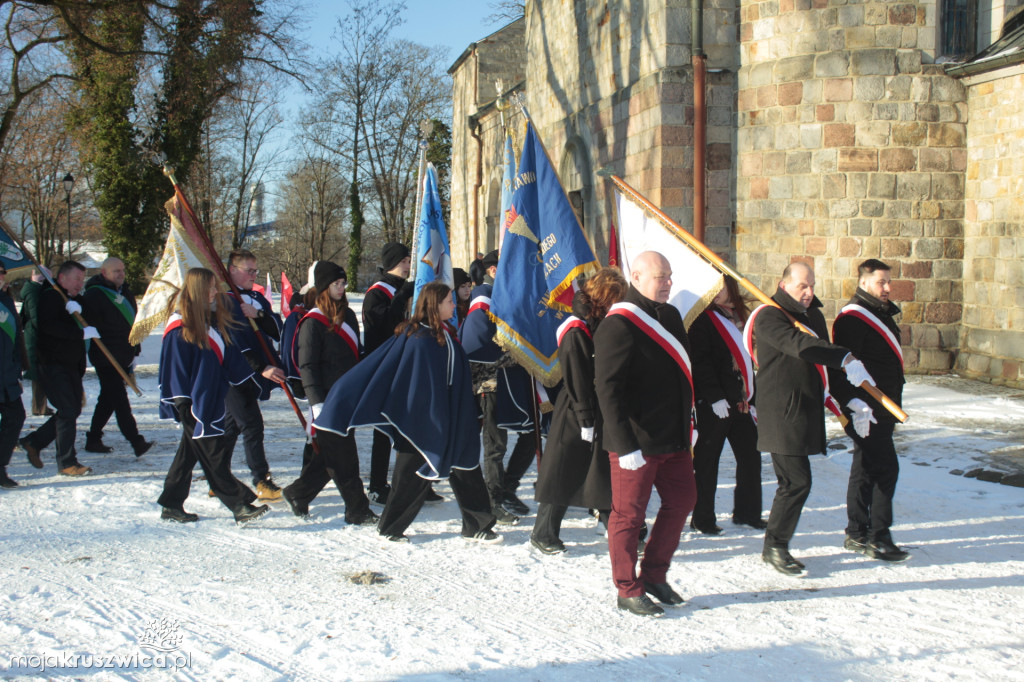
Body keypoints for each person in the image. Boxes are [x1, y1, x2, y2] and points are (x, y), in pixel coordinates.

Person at [316, 282, 500, 543]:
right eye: (448, 301)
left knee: (466, 465)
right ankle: (390, 527)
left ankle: (477, 524)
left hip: (452, 416)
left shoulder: (446, 333)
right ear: (434, 305)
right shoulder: (417, 338)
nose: (453, 305)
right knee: (410, 475)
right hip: (420, 421)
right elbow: (391, 372)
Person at [747, 261, 875, 575]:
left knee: (796, 483)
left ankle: (775, 545)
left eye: (812, 286)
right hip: (781, 412)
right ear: (784, 283)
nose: (809, 293)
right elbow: (800, 345)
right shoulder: (769, 315)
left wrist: (851, 399)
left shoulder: (812, 315)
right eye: (802, 286)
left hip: (806, 409)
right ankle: (774, 547)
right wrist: (843, 355)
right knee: (795, 482)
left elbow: (824, 361)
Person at [594, 251, 697, 618]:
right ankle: (627, 587)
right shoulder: (618, 323)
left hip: (673, 436)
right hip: (635, 441)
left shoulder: (670, 315)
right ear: (635, 277)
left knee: (683, 500)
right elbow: (607, 388)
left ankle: (654, 575)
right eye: (659, 276)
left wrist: (691, 422)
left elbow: (684, 375)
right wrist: (623, 444)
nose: (667, 282)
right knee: (628, 516)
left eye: (669, 275)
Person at [156, 268, 268, 524]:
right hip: (192, 403)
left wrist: (254, 376)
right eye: (210, 287)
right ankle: (238, 504)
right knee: (212, 453)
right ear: (197, 290)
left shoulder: (209, 322)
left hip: (209, 398)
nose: (215, 291)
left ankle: (171, 503)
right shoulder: (179, 327)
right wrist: (183, 402)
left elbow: (228, 356)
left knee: (189, 454)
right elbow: (175, 368)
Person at [531, 268, 626, 554]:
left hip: (600, 408)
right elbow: (577, 377)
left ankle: (619, 530)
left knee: (604, 472)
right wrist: (585, 418)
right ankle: (543, 533)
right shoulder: (576, 328)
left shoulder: (600, 323)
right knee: (563, 472)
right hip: (577, 410)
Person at [281, 262, 377, 525]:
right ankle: (357, 509)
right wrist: (316, 403)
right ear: (323, 287)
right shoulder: (311, 323)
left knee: (331, 456)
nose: (341, 288)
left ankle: (298, 493)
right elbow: (307, 367)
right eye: (336, 283)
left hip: (347, 397)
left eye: (343, 283)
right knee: (345, 456)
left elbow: (355, 354)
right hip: (326, 402)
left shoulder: (346, 316)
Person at [829, 259, 909, 562]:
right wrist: (853, 403)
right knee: (885, 468)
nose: (887, 288)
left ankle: (856, 531)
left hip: (884, 406)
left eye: (889, 282)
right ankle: (879, 536)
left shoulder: (879, 313)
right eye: (881, 282)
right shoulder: (853, 318)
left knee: (865, 468)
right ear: (864, 283)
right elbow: (842, 366)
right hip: (866, 409)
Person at [459, 249, 534, 523]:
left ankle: (506, 488)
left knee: (529, 433)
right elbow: (474, 344)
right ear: (493, 271)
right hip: (488, 378)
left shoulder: (503, 295)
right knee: (494, 440)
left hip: (512, 376)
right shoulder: (483, 296)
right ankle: (493, 499)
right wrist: (511, 355)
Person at [689, 275, 764, 534]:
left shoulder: (741, 317)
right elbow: (700, 361)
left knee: (751, 457)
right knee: (708, 462)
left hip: (742, 401)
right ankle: (702, 518)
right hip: (716, 402)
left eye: (719, 286)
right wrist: (713, 396)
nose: (715, 291)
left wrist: (752, 399)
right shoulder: (703, 319)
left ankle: (748, 513)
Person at [19, 261, 99, 476]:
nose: (80, 284)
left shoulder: (74, 298)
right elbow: (46, 326)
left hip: (71, 364)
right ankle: (66, 462)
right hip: (52, 363)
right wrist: (79, 333)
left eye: (82, 280)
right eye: (76, 279)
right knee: (67, 410)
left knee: (72, 409)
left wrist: (80, 310)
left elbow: (89, 318)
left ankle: (34, 441)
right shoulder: (51, 296)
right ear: (62, 278)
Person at [221, 249, 287, 502]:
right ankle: (261, 480)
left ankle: (218, 476)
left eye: (255, 270)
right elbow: (234, 341)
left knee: (231, 428)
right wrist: (260, 367)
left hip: (253, 372)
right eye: (248, 271)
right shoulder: (225, 300)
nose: (253, 275)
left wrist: (257, 314)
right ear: (232, 270)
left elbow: (276, 328)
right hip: (235, 373)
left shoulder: (257, 297)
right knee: (252, 425)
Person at [361, 242, 419, 504]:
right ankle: (377, 484)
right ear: (394, 262)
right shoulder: (377, 292)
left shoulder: (405, 289)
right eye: (406, 261)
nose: (409, 265)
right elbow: (380, 325)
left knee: (412, 424)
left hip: (408, 361)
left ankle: (417, 481)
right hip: (385, 364)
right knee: (384, 428)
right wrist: (402, 295)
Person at [81, 257, 152, 457]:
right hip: (105, 356)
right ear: (104, 273)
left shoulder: (126, 292)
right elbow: (90, 325)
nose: (121, 274)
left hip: (124, 354)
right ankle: (136, 441)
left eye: (122, 270)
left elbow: (133, 325)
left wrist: (135, 351)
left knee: (108, 399)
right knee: (120, 401)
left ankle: (93, 438)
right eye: (116, 271)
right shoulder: (94, 295)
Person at [0, 264, 26, 487]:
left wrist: (18, 370)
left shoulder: (6, 300)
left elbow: (16, 339)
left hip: (6, 375)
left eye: (2, 273)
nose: (2, 277)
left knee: (16, 417)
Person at [19, 268, 52, 416]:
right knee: (38, 375)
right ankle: (39, 407)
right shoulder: (33, 291)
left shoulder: (34, 290)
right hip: (36, 338)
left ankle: (41, 405)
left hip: (35, 336)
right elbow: (35, 316)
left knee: (40, 374)